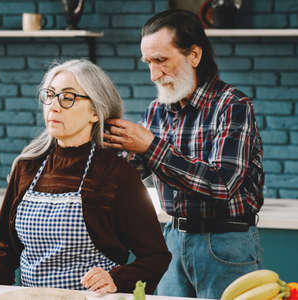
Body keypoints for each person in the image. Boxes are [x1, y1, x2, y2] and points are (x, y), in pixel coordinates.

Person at [103, 9, 265, 299]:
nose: (154, 73)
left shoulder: (233, 105)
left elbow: (222, 184)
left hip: (226, 243)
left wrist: (151, 146)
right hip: (172, 241)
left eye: (161, 60)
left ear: (194, 55)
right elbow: (130, 174)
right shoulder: (156, 110)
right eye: (148, 62)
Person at [0, 59, 171, 295]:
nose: (53, 107)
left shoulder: (117, 173)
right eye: (50, 95)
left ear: (95, 112)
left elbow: (155, 257)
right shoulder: (27, 166)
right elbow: (5, 250)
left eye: (68, 98)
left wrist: (116, 279)